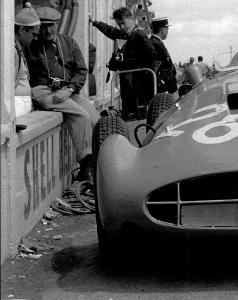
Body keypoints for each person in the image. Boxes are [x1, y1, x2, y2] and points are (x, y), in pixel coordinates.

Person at [23, 7, 100, 182]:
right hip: (42, 90)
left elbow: (81, 71)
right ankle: (85, 169)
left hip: (67, 91)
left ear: (58, 24)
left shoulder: (68, 42)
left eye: (51, 25)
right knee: (81, 116)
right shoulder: (30, 46)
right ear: (37, 27)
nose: (47, 30)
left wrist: (70, 89)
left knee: (94, 116)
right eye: (43, 26)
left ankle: (97, 161)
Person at [90, 7, 157, 120]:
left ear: (132, 19)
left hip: (137, 82)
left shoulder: (138, 35)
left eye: (123, 23)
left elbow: (152, 55)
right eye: (119, 24)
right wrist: (95, 23)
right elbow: (110, 31)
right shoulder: (125, 35)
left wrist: (140, 71)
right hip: (127, 81)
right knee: (128, 109)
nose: (121, 26)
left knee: (139, 112)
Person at [14, 2, 40, 123]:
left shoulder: (18, 46)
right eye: (33, 34)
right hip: (15, 108)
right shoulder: (11, 50)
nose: (35, 39)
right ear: (22, 29)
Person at [150, 17, 177, 94]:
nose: (168, 32)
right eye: (167, 29)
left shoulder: (157, 42)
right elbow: (154, 69)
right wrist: (162, 86)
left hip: (166, 86)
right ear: (162, 30)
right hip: (162, 88)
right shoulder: (155, 44)